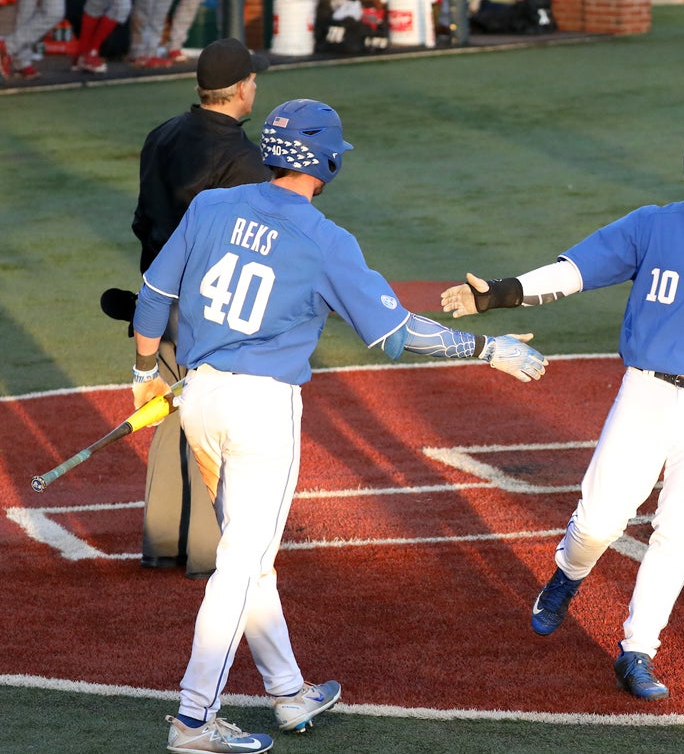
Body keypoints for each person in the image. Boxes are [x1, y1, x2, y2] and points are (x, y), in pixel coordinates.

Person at [132, 97, 547, 751]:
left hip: (200, 399)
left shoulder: (211, 207)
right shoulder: (325, 240)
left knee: (250, 552)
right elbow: (398, 331)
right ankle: (193, 718)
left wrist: (141, 371)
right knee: (240, 563)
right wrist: (487, 348)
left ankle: (289, 691)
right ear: (324, 161)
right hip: (262, 410)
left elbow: (155, 295)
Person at [441, 114, 684, 700]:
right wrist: (500, 292)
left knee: (679, 531)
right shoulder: (651, 225)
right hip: (646, 392)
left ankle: (638, 649)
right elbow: (576, 271)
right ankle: (568, 575)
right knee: (598, 522)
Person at [130, 37, 272, 578]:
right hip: (212, 311)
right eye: (253, 80)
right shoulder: (245, 160)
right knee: (212, 422)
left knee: (166, 415)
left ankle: (163, 541)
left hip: (155, 298)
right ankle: (208, 551)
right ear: (239, 90)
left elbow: (143, 219)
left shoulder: (160, 135)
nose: (255, 86)